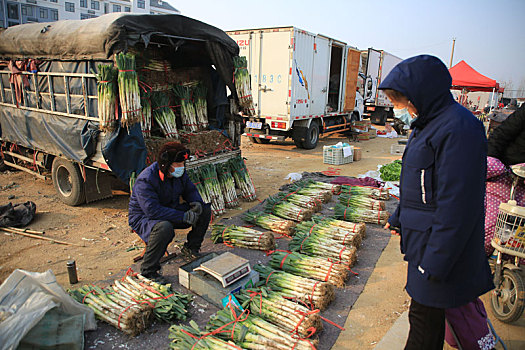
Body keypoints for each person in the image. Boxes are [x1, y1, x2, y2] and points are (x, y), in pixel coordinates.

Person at [380, 55, 494, 350]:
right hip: (425, 244)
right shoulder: (426, 125)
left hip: (441, 251)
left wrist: (433, 264)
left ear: (423, 92)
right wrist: (399, 217)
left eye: (403, 100)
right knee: (426, 321)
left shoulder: (459, 129)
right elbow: (417, 183)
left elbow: (458, 207)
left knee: (423, 322)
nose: (401, 108)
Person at [128, 142, 211, 283]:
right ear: (165, 165)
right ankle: (148, 271)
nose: (181, 168)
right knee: (164, 228)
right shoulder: (146, 180)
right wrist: (182, 216)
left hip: (169, 210)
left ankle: (191, 249)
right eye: (177, 165)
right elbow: (152, 211)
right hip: (144, 218)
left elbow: (190, 190)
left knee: (204, 210)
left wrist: (196, 202)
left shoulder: (180, 175)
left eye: (182, 164)